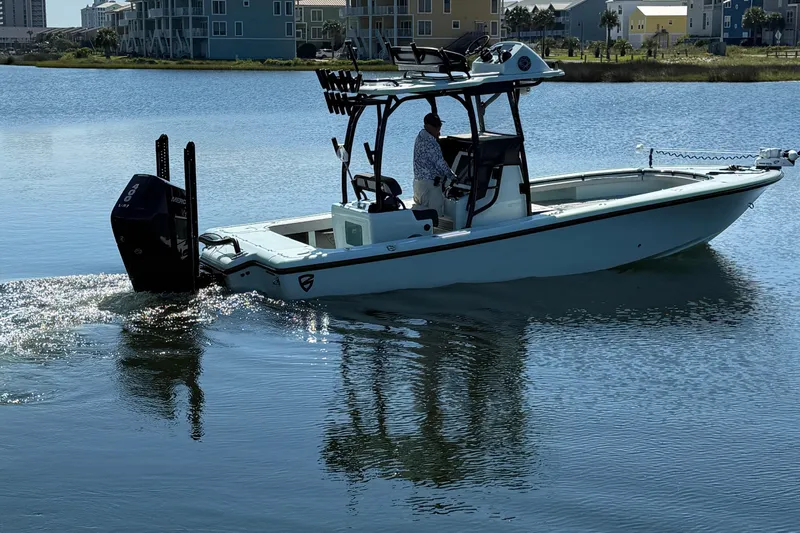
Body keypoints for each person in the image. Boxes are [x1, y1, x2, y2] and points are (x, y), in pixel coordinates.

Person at [413, 113, 456, 215]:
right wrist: (452, 176)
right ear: (426, 126)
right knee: (435, 215)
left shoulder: (419, 137)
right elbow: (440, 163)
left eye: (439, 125)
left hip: (418, 183)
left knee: (422, 212)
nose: (438, 128)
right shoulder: (430, 143)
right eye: (435, 126)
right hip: (430, 185)